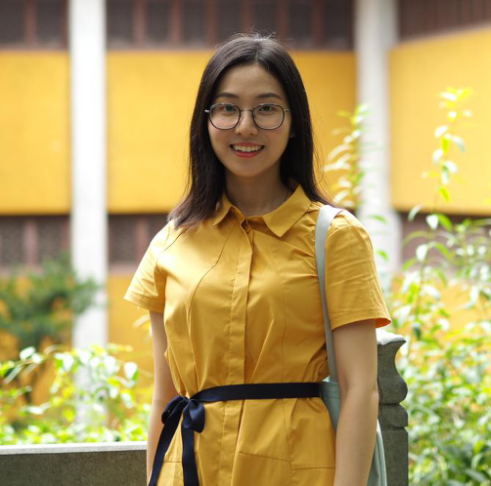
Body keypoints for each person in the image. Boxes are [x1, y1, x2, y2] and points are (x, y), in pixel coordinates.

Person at [124, 33, 392, 486]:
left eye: (266, 109)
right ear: (206, 122)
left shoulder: (335, 237)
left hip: (296, 471)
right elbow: (164, 397)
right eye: (228, 108)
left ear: (294, 123)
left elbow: (360, 389)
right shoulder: (173, 241)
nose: (245, 126)